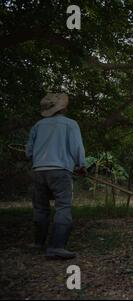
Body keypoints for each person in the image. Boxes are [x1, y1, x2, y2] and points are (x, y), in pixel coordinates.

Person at [26, 93, 87, 259]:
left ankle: (38, 243)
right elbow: (77, 148)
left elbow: (29, 151)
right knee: (63, 206)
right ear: (63, 108)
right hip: (60, 172)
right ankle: (56, 247)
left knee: (40, 208)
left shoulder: (38, 126)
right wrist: (81, 166)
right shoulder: (70, 124)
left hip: (38, 171)